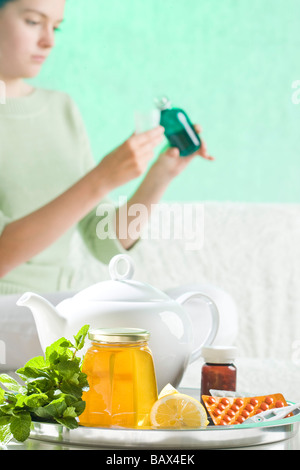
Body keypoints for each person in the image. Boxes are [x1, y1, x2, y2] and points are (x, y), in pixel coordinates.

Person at [0, 0, 238, 376]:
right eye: (33, 21)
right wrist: (100, 179)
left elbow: (102, 238)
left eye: (56, 27)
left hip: (65, 308)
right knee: (118, 329)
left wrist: (160, 175)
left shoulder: (61, 108)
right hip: (12, 311)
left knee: (213, 304)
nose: (48, 41)